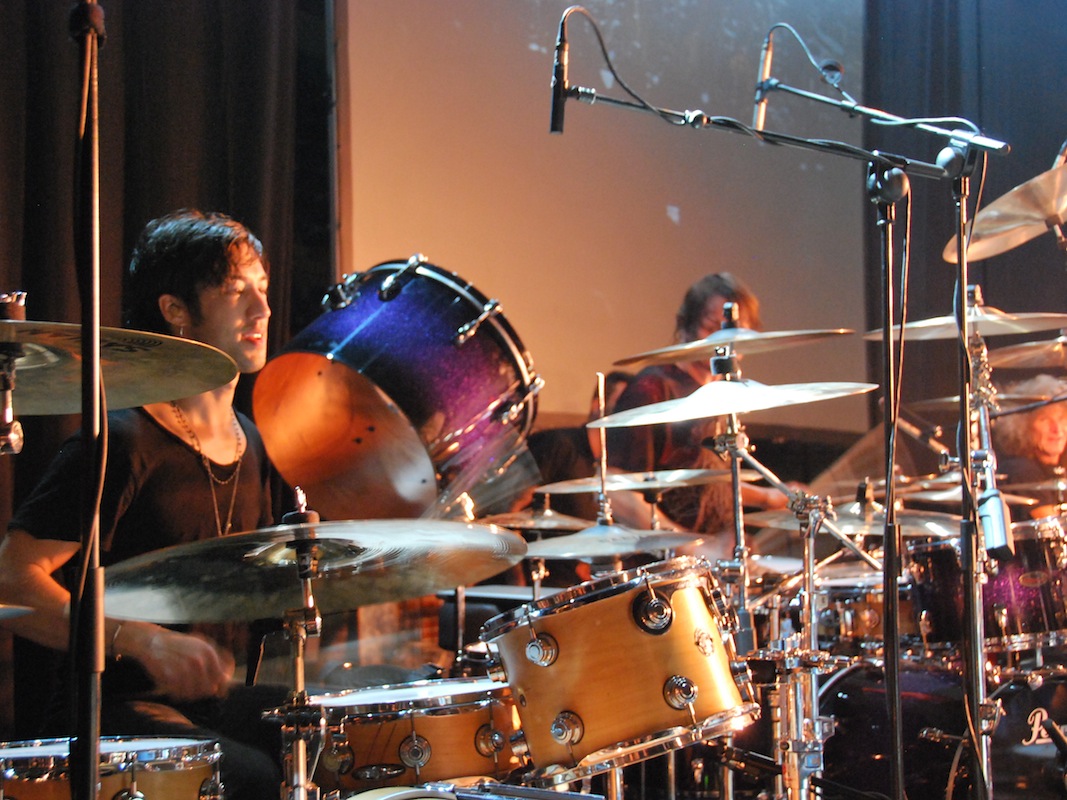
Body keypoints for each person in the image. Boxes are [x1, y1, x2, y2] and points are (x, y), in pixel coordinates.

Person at [0, 210, 283, 799]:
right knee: (251, 774)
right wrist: (145, 640)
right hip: (107, 713)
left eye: (262, 289)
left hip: (205, 707)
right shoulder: (122, 442)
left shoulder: (250, 440)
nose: (261, 310)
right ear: (175, 310)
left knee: (318, 733)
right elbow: (11, 582)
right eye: (236, 292)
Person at [606, 273, 790, 540]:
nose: (725, 343)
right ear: (685, 327)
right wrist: (693, 548)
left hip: (716, 566)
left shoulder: (722, 396)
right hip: (666, 572)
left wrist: (765, 497)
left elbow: (698, 486)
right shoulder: (653, 389)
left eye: (736, 333)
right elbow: (616, 489)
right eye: (711, 328)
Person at [992, 373, 1067, 519]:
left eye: (1061, 419)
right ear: (1022, 427)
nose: (1056, 429)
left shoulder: (1057, 470)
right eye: (1045, 420)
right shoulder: (1020, 470)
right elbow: (1053, 529)